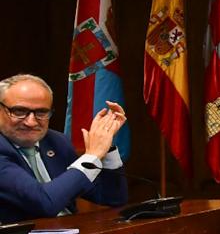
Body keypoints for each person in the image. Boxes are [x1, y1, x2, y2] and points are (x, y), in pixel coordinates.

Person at [0, 73, 127, 223]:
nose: (31, 122)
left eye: (41, 112)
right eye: (19, 111)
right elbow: (44, 203)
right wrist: (91, 156)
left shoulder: (56, 142)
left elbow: (112, 197)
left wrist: (106, 145)